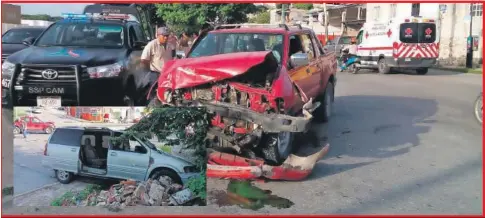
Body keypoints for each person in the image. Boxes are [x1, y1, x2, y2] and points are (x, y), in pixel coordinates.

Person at [137, 27, 177, 103]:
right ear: (158, 35)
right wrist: (149, 68)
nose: (166, 38)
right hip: (155, 74)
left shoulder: (170, 46)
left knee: (167, 94)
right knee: (155, 95)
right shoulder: (152, 45)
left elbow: (174, 58)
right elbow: (144, 60)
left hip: (167, 74)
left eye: (167, 36)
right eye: (163, 36)